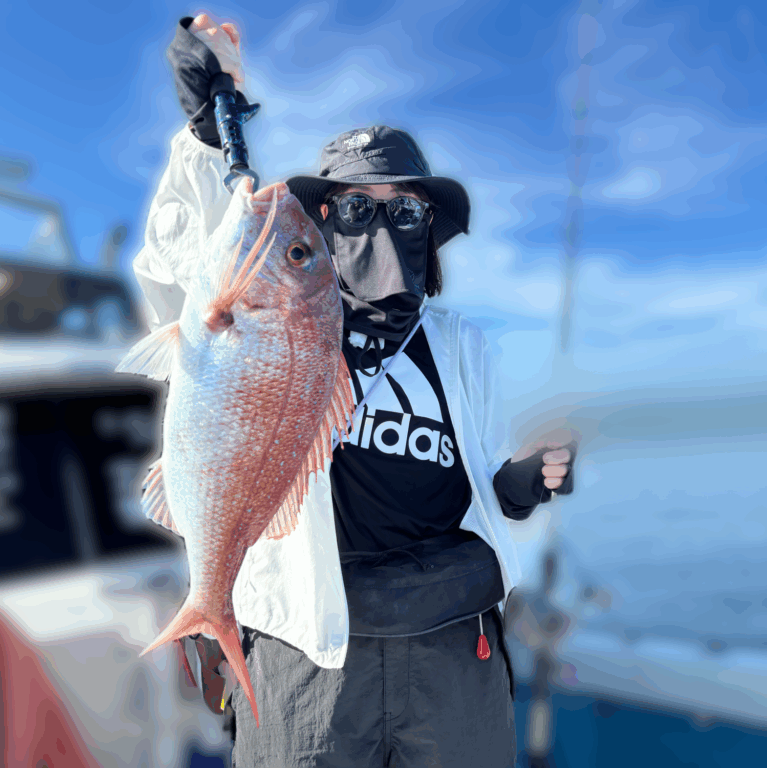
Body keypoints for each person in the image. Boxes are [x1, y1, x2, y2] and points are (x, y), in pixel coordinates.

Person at [131, 13, 576, 768]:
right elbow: (184, 264)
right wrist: (209, 131)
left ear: (429, 230)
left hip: (452, 644)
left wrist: (521, 486)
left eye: (405, 211)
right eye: (355, 208)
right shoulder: (284, 319)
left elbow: (482, 481)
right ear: (326, 224)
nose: (381, 231)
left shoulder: (462, 346)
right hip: (306, 647)